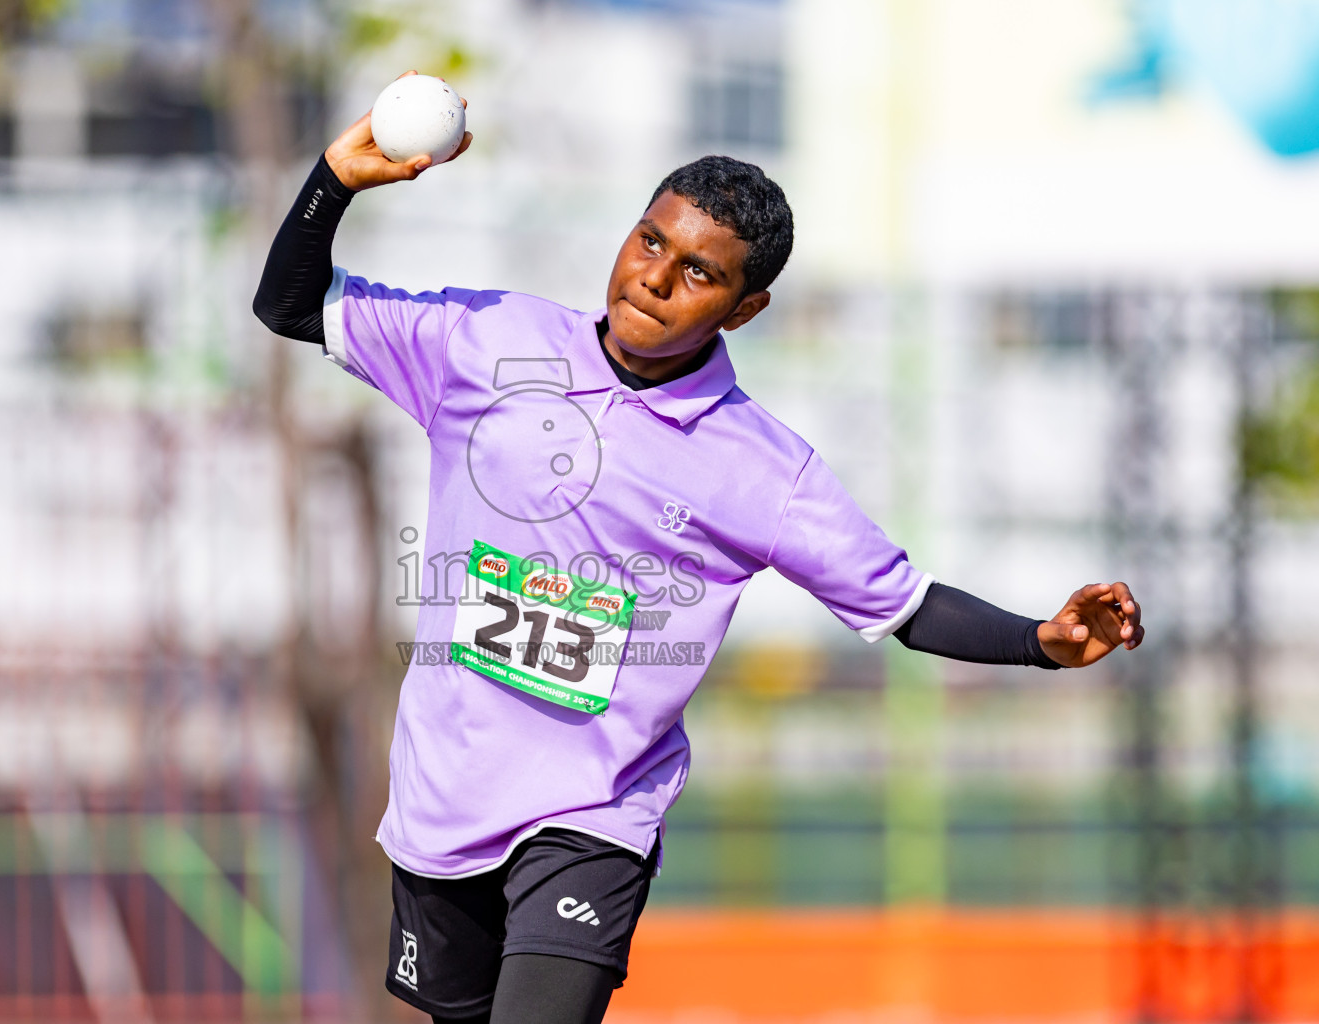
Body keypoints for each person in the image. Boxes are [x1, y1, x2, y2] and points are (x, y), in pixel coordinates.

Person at [253, 74, 1145, 1024]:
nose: (656, 278)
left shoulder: (763, 470)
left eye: (700, 273)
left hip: (595, 816)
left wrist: (1039, 640)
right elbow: (291, 306)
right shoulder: (485, 340)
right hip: (445, 796)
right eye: (651, 243)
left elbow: (906, 604)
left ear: (744, 309)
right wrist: (333, 182)